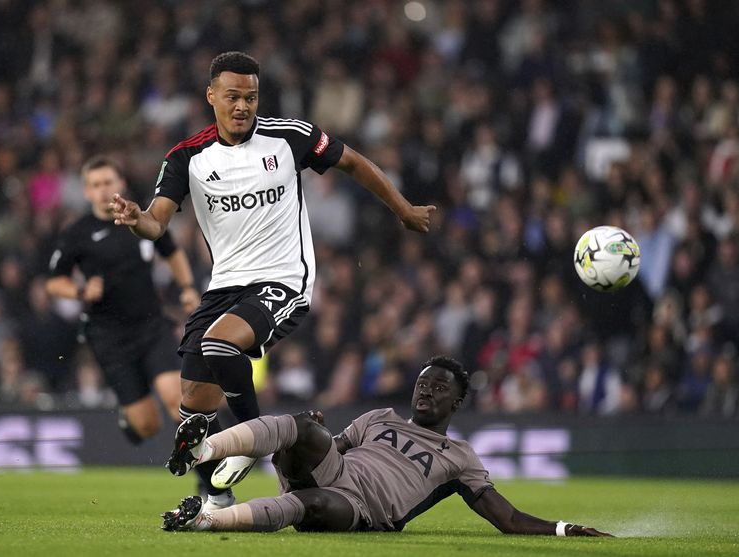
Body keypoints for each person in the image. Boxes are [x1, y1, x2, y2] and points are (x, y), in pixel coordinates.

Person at [110, 51, 435, 508]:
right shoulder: (187, 157)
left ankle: (252, 442)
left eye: (251, 97)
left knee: (219, 345)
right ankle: (216, 498)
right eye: (232, 97)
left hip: (284, 279)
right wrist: (136, 218)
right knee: (193, 404)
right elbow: (157, 222)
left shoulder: (290, 137)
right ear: (211, 97)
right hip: (224, 286)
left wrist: (402, 209)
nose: (242, 106)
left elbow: (355, 163)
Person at [159, 355, 612, 536]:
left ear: (457, 401)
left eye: (438, 388)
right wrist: (310, 434)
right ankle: (199, 451)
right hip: (335, 470)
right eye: (422, 383)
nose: (426, 391)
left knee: (307, 504)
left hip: (361, 508)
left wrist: (563, 529)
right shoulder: (379, 417)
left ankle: (204, 521)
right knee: (300, 424)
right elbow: (331, 447)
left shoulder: (460, 458)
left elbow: (508, 519)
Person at [47, 155, 201, 444]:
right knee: (147, 426)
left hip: (151, 325)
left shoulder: (140, 219)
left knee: (177, 401)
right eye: (96, 184)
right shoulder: (77, 233)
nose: (103, 189)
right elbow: (55, 282)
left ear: (121, 183)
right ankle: (130, 417)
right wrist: (80, 291)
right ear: (86, 191)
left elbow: (171, 251)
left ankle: (207, 476)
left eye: (108, 182)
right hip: (109, 337)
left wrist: (188, 287)